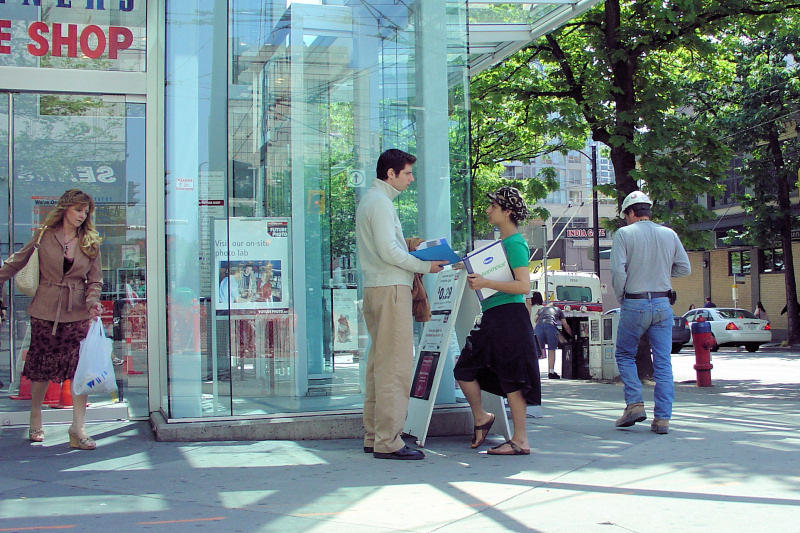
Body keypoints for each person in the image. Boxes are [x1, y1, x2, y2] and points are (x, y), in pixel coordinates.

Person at [355, 148, 447, 460]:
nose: (410, 179)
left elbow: (386, 250)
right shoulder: (380, 204)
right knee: (394, 368)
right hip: (391, 288)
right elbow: (389, 253)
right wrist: (425, 266)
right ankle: (388, 440)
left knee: (378, 366)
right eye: (407, 173)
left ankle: (374, 435)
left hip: (377, 288)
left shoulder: (372, 201)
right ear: (390, 173)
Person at [0, 189, 104, 449]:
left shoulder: (91, 241)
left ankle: (78, 428)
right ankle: (36, 416)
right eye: (78, 210)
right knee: (40, 366)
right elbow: (18, 261)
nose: (82, 215)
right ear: (66, 208)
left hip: (77, 311)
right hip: (45, 309)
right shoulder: (44, 235)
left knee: (78, 370)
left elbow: (95, 280)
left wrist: (92, 302)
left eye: (86, 211)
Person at [454, 186, 539, 456]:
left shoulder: (514, 243)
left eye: (494, 206)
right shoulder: (501, 244)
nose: (488, 210)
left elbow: (524, 286)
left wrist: (485, 281)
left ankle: (520, 440)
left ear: (507, 212)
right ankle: (483, 418)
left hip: (508, 318)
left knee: (512, 379)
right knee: (466, 369)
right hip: (494, 316)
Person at [610, 190, 690, 435]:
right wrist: (663, 274)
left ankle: (634, 403)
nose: (625, 220)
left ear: (632, 213)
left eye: (626, 215)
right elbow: (684, 268)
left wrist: (623, 296)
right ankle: (662, 419)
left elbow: (617, 272)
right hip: (663, 303)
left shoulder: (624, 234)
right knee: (663, 362)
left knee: (624, 354)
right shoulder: (669, 234)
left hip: (635, 302)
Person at [534, 300, 573, 379]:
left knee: (537, 351)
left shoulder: (541, 309)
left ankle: (534, 372)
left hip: (538, 328)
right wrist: (572, 335)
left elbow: (535, 319)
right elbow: (565, 325)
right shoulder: (558, 310)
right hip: (550, 327)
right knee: (551, 350)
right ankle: (551, 372)